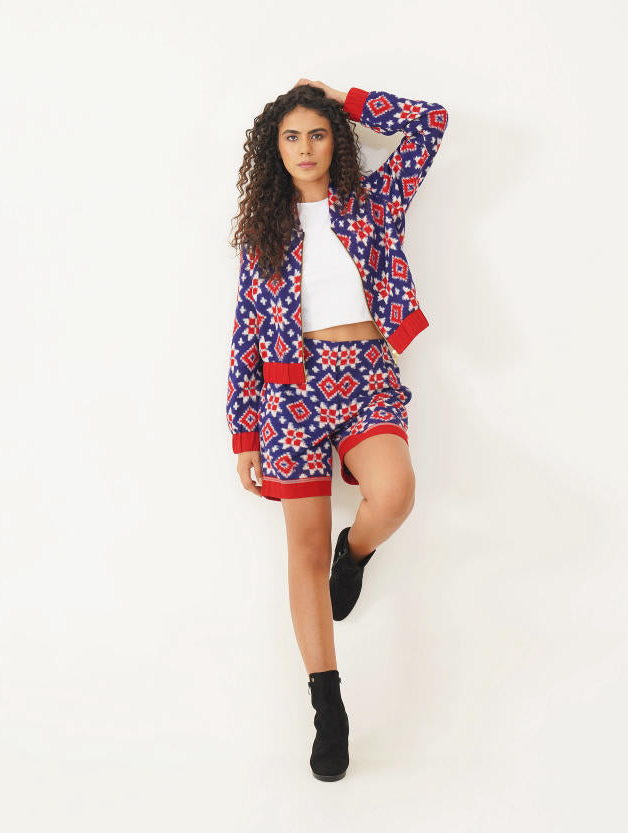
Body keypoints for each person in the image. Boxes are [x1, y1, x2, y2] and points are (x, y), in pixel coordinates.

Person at [225, 78, 449, 780]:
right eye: (291, 136)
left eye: (317, 133)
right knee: (301, 549)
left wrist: (344, 97)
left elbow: (431, 123)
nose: (305, 148)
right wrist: (244, 431)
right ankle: (328, 704)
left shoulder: (373, 204)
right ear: (274, 149)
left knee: (395, 493)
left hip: (366, 376)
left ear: (335, 141)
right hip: (289, 394)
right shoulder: (265, 232)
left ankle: (354, 553)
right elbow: (246, 332)